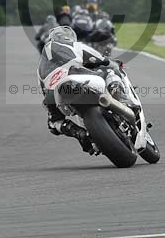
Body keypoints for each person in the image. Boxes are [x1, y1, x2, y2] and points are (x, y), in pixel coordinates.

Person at [37, 25, 133, 154]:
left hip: (53, 94)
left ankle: (80, 134)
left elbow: (44, 92)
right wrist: (113, 63)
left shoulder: (39, 68)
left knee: (54, 123)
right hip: (75, 76)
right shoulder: (72, 45)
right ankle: (124, 101)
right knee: (110, 71)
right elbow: (100, 59)